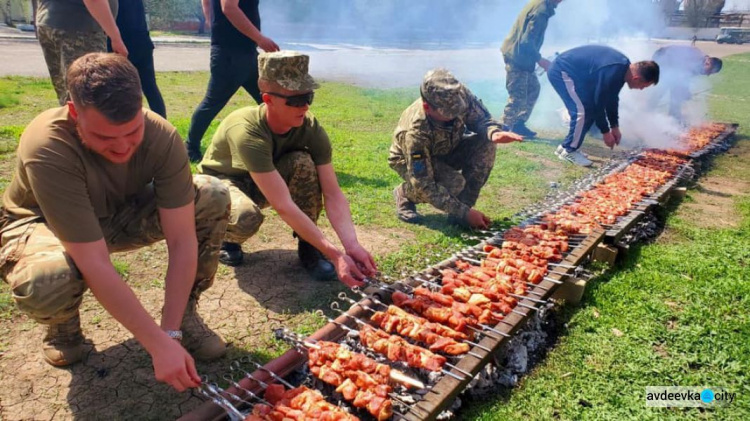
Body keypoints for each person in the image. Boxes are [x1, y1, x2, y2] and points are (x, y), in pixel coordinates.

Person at [0, 53, 231, 392]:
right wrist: (155, 345)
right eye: (105, 138)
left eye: (133, 131)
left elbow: (182, 240)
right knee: (48, 278)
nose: (123, 147)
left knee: (211, 195)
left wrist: (168, 334)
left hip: (115, 215)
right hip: (42, 226)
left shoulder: (161, 136)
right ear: (74, 112)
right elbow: (93, 261)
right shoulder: (47, 144)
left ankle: (184, 315)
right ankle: (63, 326)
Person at [197, 51, 377, 287]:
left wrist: (351, 246)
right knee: (246, 217)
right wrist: (335, 254)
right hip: (221, 187)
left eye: (308, 97)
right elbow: (283, 204)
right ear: (268, 99)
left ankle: (309, 246)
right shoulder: (247, 130)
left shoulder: (310, 128)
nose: (303, 106)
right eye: (294, 100)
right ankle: (222, 237)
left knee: (302, 162)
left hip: (264, 181)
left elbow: (333, 193)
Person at [388, 69, 523, 230]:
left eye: (456, 112)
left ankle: (461, 211)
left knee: (486, 143)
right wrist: (465, 213)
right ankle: (404, 193)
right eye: (447, 114)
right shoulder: (416, 132)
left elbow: (480, 118)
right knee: (453, 183)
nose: (453, 116)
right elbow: (424, 182)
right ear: (427, 106)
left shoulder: (458, 94)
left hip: (447, 146)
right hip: (409, 158)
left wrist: (493, 133)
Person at [186, 0, 280, 162]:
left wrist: (212, 21)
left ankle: (277, 145)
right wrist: (260, 38)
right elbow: (229, 8)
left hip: (245, 51)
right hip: (231, 54)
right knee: (213, 103)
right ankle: (190, 148)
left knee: (270, 98)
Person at [548, 45, 660, 167]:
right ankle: (569, 150)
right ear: (636, 78)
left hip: (575, 75)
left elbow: (611, 99)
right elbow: (598, 103)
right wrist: (605, 132)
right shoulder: (614, 70)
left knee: (587, 110)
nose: (642, 89)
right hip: (562, 71)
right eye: (644, 86)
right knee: (582, 111)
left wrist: (614, 127)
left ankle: (565, 146)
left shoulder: (622, 70)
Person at [36, 0, 128, 105]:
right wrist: (116, 37)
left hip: (50, 20)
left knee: (69, 96)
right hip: (79, 28)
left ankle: (72, 120)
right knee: (89, 96)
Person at [500, 0, 563, 138]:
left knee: (533, 88)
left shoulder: (540, 5)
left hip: (523, 57)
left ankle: (518, 124)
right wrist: (540, 60)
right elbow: (526, 42)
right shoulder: (540, 11)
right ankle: (504, 127)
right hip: (517, 56)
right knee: (518, 94)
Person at [107, 0, 167, 118]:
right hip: (141, 40)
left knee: (118, 90)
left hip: (120, 43)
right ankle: (163, 125)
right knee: (150, 88)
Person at [650, 45, 722, 123]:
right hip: (662, 58)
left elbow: (685, 77)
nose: (708, 74)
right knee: (662, 88)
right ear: (708, 63)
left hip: (673, 67)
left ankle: (674, 118)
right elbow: (680, 74)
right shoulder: (695, 57)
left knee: (677, 93)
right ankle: (647, 113)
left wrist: (685, 90)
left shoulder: (701, 64)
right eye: (709, 71)